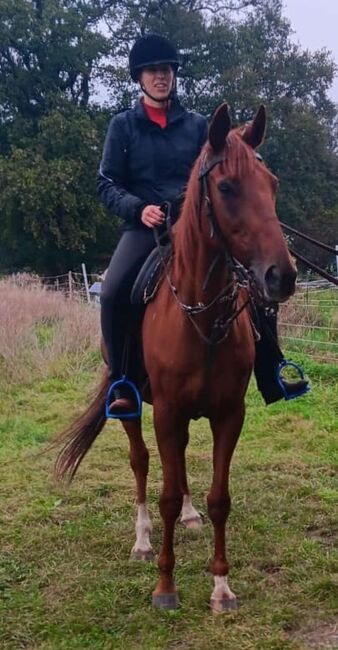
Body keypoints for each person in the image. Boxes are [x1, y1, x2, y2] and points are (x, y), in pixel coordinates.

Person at [97, 33, 309, 416]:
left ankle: (271, 367)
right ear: (140, 78)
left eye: (167, 70)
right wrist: (137, 208)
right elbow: (106, 183)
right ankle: (121, 380)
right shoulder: (122, 126)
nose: (161, 77)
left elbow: (223, 162)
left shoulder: (196, 126)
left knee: (252, 287)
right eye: (153, 71)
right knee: (113, 292)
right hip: (144, 229)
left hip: (195, 227)